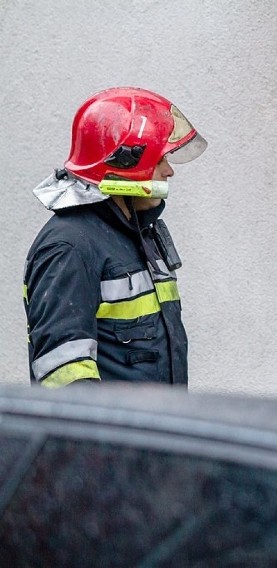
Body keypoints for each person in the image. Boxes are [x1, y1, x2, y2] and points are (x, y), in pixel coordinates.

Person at [23, 87, 207, 387]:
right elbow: (65, 380)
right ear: (126, 163)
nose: (169, 171)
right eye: (160, 160)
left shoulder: (135, 234)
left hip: (153, 429)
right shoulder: (69, 248)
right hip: (114, 434)